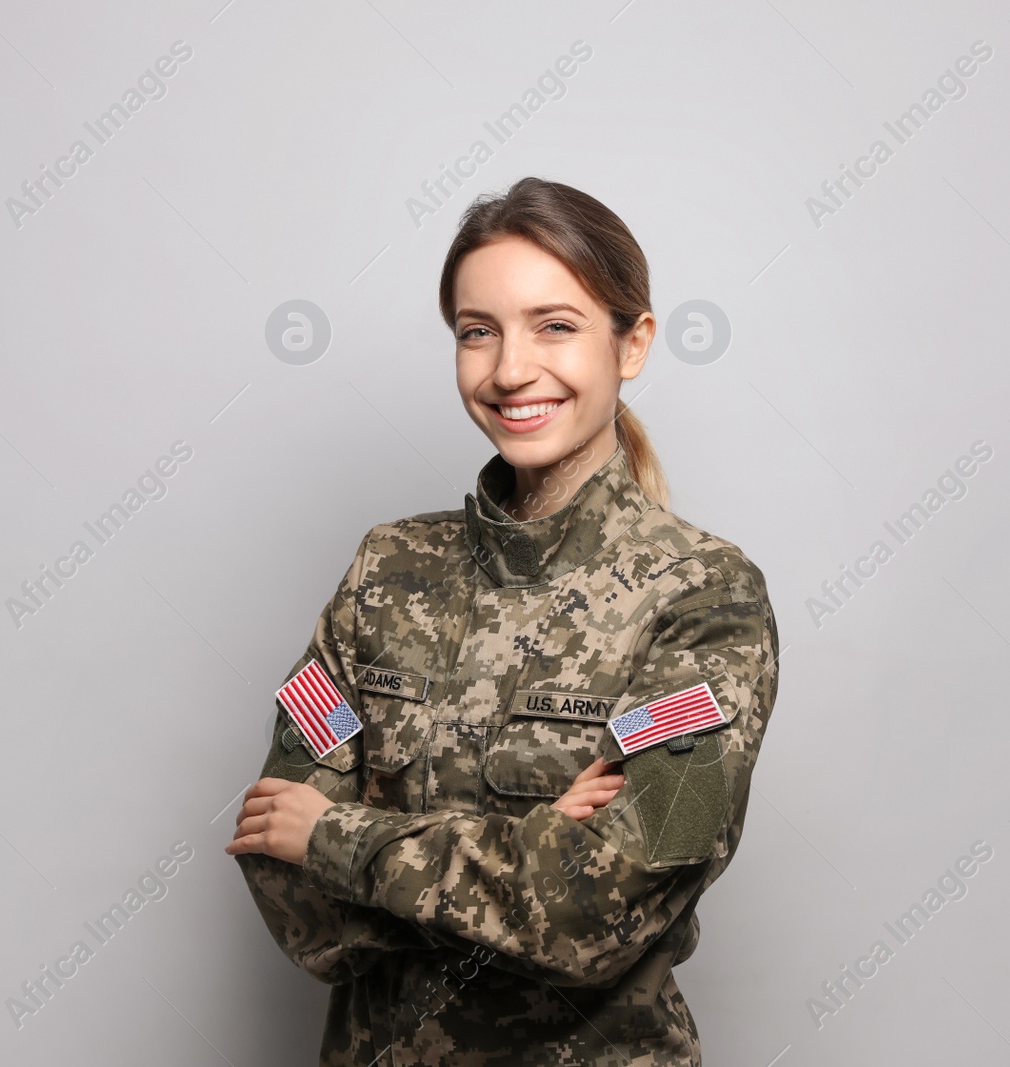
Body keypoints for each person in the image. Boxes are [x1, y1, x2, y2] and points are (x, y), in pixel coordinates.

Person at [227, 176, 780, 1066]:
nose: (510, 369)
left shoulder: (703, 598)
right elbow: (277, 870)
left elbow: (602, 914)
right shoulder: (383, 572)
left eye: (555, 325)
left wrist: (336, 834)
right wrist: (531, 852)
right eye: (477, 332)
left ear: (631, 342)